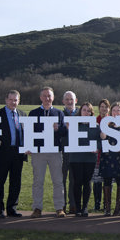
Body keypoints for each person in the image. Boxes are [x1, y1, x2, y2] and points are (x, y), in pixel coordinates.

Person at [28, 87, 68, 218]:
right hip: (38, 152)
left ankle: (59, 208)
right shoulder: (33, 113)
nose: (47, 98)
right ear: (40, 98)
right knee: (38, 181)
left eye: (49, 96)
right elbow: (28, 132)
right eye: (45, 96)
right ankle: (37, 208)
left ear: (53, 97)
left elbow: (64, 132)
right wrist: (28, 146)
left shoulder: (59, 113)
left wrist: (58, 129)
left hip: (55, 152)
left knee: (58, 181)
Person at [0, 90, 27, 218]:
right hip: (1, 153)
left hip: (18, 154)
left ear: (19, 101)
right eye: (11, 99)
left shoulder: (23, 115)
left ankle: (12, 208)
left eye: (15, 100)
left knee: (15, 182)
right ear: (6, 100)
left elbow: (26, 134)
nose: (13, 102)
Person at [99, 101, 120, 216]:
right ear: (111, 111)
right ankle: (107, 208)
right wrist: (105, 125)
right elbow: (102, 137)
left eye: (118, 110)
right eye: (114, 110)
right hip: (107, 157)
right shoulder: (106, 124)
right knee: (107, 181)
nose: (116, 112)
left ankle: (117, 208)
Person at [68, 102, 100, 217]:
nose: (86, 112)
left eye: (88, 110)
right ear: (80, 112)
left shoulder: (96, 126)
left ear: (91, 113)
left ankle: (85, 207)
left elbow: (100, 141)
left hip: (90, 159)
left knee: (87, 182)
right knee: (77, 182)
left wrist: (97, 148)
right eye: (84, 110)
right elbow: (68, 139)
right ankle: (77, 207)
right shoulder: (73, 125)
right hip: (76, 158)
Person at [61, 90, 78, 214]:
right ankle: (61, 206)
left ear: (76, 101)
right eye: (67, 99)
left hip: (76, 152)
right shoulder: (58, 114)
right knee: (61, 179)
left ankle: (73, 204)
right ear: (63, 101)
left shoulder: (82, 113)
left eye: (71, 99)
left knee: (74, 179)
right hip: (62, 151)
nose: (69, 101)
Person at [92, 99, 110, 211]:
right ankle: (97, 204)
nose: (104, 109)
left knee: (107, 182)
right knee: (97, 181)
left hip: (108, 156)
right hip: (97, 156)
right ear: (99, 108)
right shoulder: (95, 121)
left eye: (106, 107)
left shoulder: (112, 121)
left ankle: (106, 204)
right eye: (102, 106)